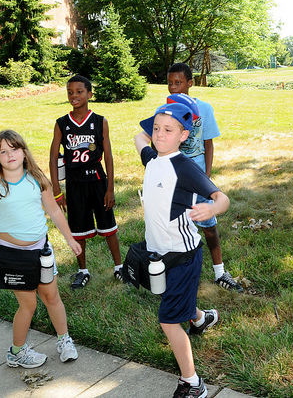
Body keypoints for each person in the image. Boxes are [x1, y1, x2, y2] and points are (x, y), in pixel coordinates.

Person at [135, 102, 230, 398]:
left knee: (168, 319)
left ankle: (193, 383)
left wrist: (212, 207)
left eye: (168, 130)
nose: (159, 135)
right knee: (174, 299)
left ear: (183, 135)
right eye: (157, 129)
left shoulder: (185, 167)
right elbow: (140, 138)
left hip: (184, 256)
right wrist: (151, 128)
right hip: (159, 254)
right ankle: (201, 319)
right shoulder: (151, 159)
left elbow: (221, 197)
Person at [0, 130, 83, 368]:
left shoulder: (38, 180)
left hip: (41, 251)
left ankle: (64, 340)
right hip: (11, 255)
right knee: (28, 305)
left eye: (14, 149)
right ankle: (16, 352)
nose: (9, 155)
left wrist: (70, 239)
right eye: (3, 151)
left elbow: (55, 211)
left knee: (51, 296)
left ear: (24, 152)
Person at [166, 62, 242, 292]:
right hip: (174, 177)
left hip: (197, 175)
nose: (174, 88)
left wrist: (206, 177)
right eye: (170, 83)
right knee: (176, 226)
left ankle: (220, 271)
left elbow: (208, 144)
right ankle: (178, 273)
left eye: (178, 83)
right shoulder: (165, 110)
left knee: (208, 225)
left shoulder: (205, 109)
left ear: (190, 83)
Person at [49, 75, 123, 289]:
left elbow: (108, 156)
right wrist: (56, 190)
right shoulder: (62, 124)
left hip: (97, 179)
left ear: (90, 94)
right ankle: (83, 270)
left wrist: (110, 188)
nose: (74, 96)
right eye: (70, 92)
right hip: (74, 183)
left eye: (79, 91)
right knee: (78, 229)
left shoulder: (100, 121)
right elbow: (54, 157)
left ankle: (119, 268)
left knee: (109, 226)